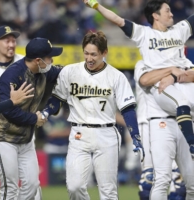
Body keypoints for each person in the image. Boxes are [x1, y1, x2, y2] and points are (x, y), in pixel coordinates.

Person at [82, 0, 194, 159]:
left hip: (182, 78)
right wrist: (97, 6)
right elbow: (117, 19)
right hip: (161, 83)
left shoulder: (180, 29)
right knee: (181, 103)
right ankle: (192, 144)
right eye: (167, 11)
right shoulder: (144, 33)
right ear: (155, 15)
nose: (172, 14)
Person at [42, 30, 144, 200]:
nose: (89, 58)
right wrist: (46, 111)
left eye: (94, 54)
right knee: (74, 187)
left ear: (104, 53)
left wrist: (135, 134)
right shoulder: (70, 71)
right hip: (79, 133)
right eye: (86, 53)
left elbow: (127, 108)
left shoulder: (116, 76)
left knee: (108, 191)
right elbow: (56, 99)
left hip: (106, 134)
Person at [0, 37, 63, 199]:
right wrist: (34, 119)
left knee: (32, 186)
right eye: (49, 57)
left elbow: (63, 71)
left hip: (25, 139)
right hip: (4, 138)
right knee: (10, 188)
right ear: (38, 60)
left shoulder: (43, 70)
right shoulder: (10, 77)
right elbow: (8, 112)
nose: (52, 61)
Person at [0, 25, 42, 199]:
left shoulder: (25, 62)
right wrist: (11, 102)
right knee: (10, 188)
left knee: (33, 187)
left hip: (26, 134)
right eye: (6, 40)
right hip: (1, 136)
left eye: (14, 40)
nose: (11, 44)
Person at [134, 60, 194, 200]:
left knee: (187, 185)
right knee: (156, 180)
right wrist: (172, 70)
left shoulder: (185, 61)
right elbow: (145, 80)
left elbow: (190, 74)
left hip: (185, 123)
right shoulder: (144, 62)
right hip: (157, 123)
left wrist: (173, 76)